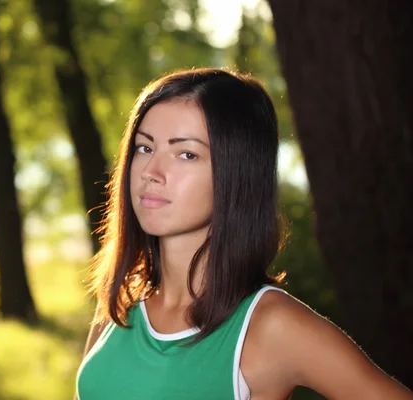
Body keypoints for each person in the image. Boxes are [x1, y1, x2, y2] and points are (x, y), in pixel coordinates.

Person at [74, 68, 413, 399]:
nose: (151, 172)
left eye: (186, 154)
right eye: (144, 148)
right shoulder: (124, 299)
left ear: (237, 174)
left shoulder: (272, 325)